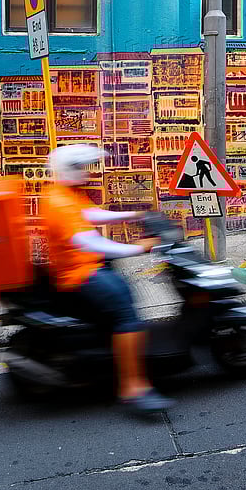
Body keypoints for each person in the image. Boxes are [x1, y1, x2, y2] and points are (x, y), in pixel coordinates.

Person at [39, 144, 175, 416]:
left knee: (123, 293)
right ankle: (132, 387)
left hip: (87, 265)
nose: (85, 173)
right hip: (79, 273)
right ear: (68, 169)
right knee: (126, 309)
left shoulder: (64, 193)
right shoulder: (60, 203)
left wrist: (137, 214)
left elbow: (92, 215)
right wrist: (139, 248)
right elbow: (91, 243)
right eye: (80, 168)